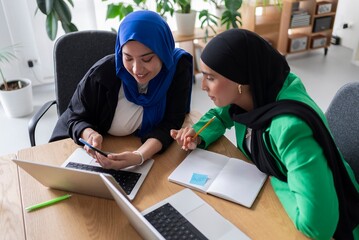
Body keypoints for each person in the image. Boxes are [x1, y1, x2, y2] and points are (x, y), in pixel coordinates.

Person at [170, 29, 359, 240]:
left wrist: (271, 178)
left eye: (210, 78)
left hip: (336, 223)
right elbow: (222, 115)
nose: (203, 86)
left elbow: (317, 227)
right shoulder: (253, 92)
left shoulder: (291, 129)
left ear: (241, 80)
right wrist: (198, 133)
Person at [50, 10, 193, 169]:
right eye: (128, 58)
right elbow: (76, 117)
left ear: (164, 52)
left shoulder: (177, 69)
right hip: (77, 149)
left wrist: (139, 156)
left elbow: (171, 122)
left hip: (135, 149)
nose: (137, 69)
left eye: (147, 59)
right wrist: (89, 134)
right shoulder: (102, 74)